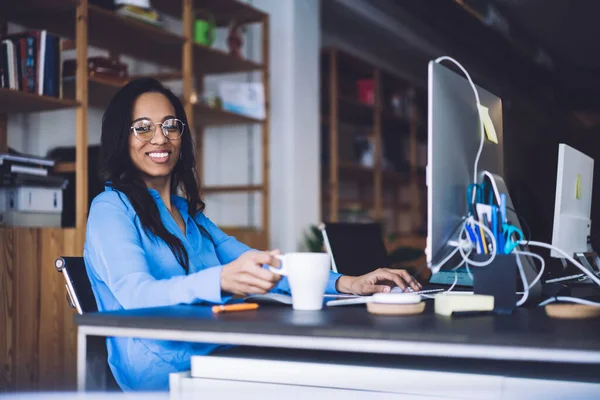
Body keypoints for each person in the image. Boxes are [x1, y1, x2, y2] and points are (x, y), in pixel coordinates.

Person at [84, 78, 422, 391]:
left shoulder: (190, 214)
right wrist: (220, 280)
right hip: (161, 367)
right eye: (142, 128)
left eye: (171, 125)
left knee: (339, 371)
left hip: (216, 347)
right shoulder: (110, 208)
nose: (160, 138)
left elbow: (260, 265)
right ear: (120, 137)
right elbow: (135, 294)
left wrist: (349, 283)